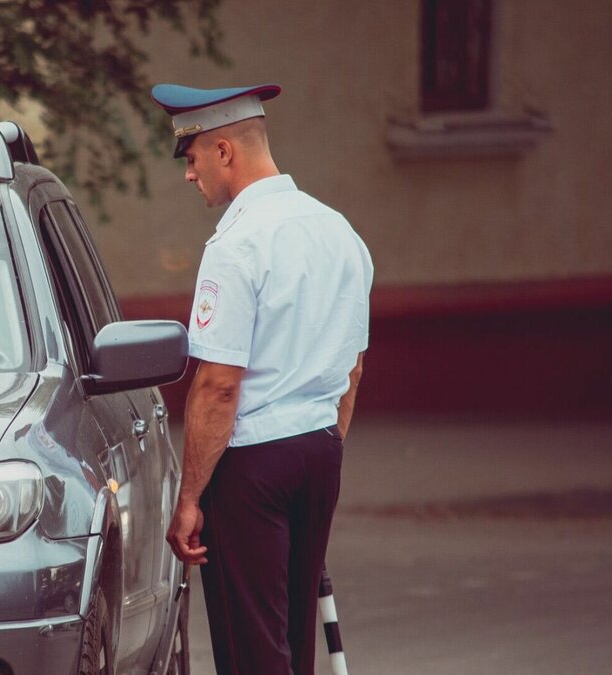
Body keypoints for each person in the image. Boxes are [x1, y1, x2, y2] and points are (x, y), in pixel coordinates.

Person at [152, 82, 373, 675]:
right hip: (320, 451)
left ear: (225, 151)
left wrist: (191, 498)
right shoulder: (340, 232)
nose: (189, 175)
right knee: (294, 643)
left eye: (192, 157)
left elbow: (218, 385)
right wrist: (321, 450)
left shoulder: (236, 244)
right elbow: (351, 369)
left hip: (252, 463)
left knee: (253, 649)